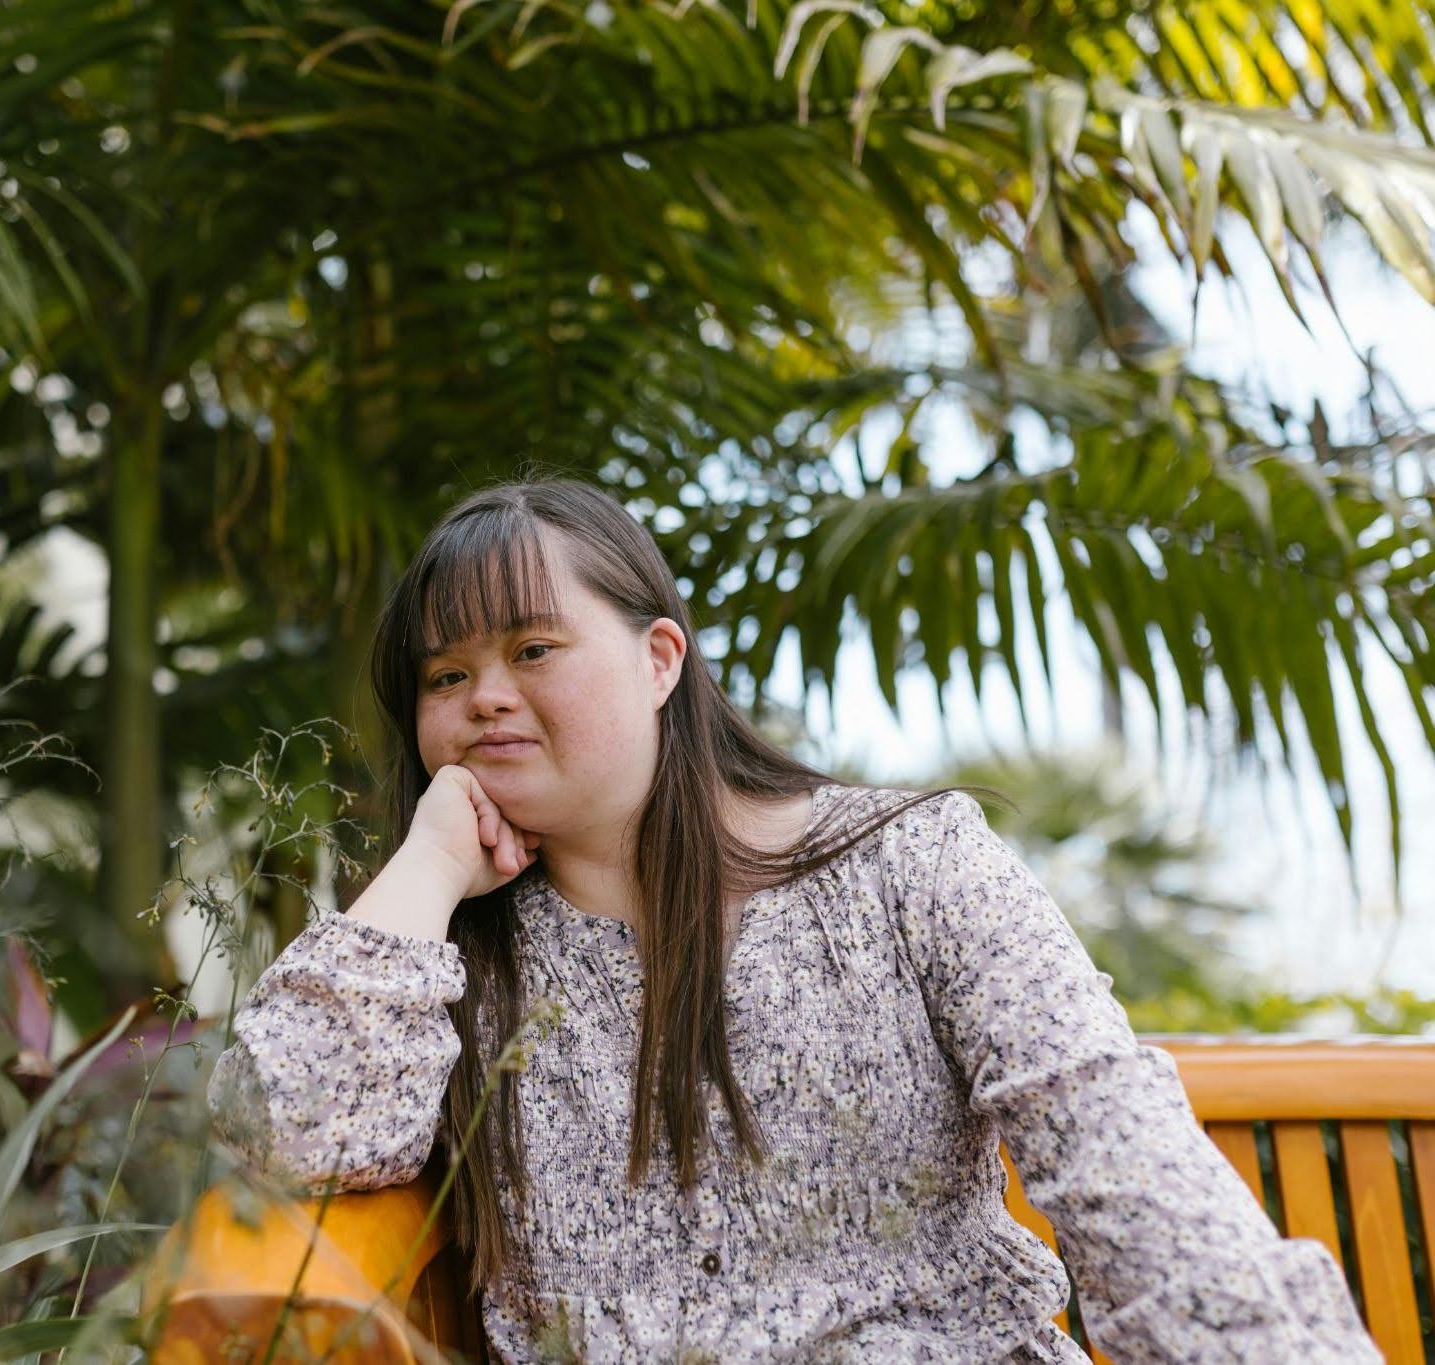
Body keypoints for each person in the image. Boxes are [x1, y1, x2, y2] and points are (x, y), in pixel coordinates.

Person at [204, 475, 1379, 1362]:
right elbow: (273, 1138)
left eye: (532, 648)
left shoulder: (908, 865)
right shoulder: (452, 961)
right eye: (443, 676)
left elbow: (1120, 1161)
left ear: (659, 658)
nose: (484, 696)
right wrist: (422, 866)